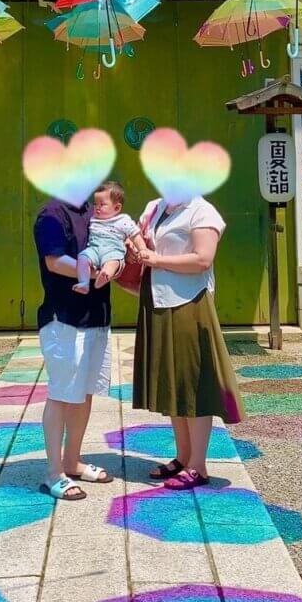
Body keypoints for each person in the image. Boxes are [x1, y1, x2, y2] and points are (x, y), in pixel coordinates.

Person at [131, 196, 244, 490]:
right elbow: (142, 243)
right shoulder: (155, 207)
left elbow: (202, 259)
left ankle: (198, 464)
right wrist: (137, 250)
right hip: (158, 300)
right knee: (175, 384)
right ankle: (183, 456)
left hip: (188, 302)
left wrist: (156, 260)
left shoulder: (202, 211)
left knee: (193, 384)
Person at [34, 197, 115, 501]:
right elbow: (54, 261)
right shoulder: (52, 214)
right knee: (61, 394)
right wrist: (96, 274)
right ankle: (54, 473)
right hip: (64, 320)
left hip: (96, 316)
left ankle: (73, 461)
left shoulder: (95, 212)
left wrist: (117, 263)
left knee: (85, 392)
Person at [73, 182, 145, 294]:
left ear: (117, 208)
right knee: (82, 258)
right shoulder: (93, 219)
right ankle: (84, 283)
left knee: (112, 263)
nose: (97, 208)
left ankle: (105, 275)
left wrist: (142, 249)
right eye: (95, 204)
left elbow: (135, 235)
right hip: (94, 249)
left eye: (102, 204)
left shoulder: (123, 220)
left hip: (113, 250)